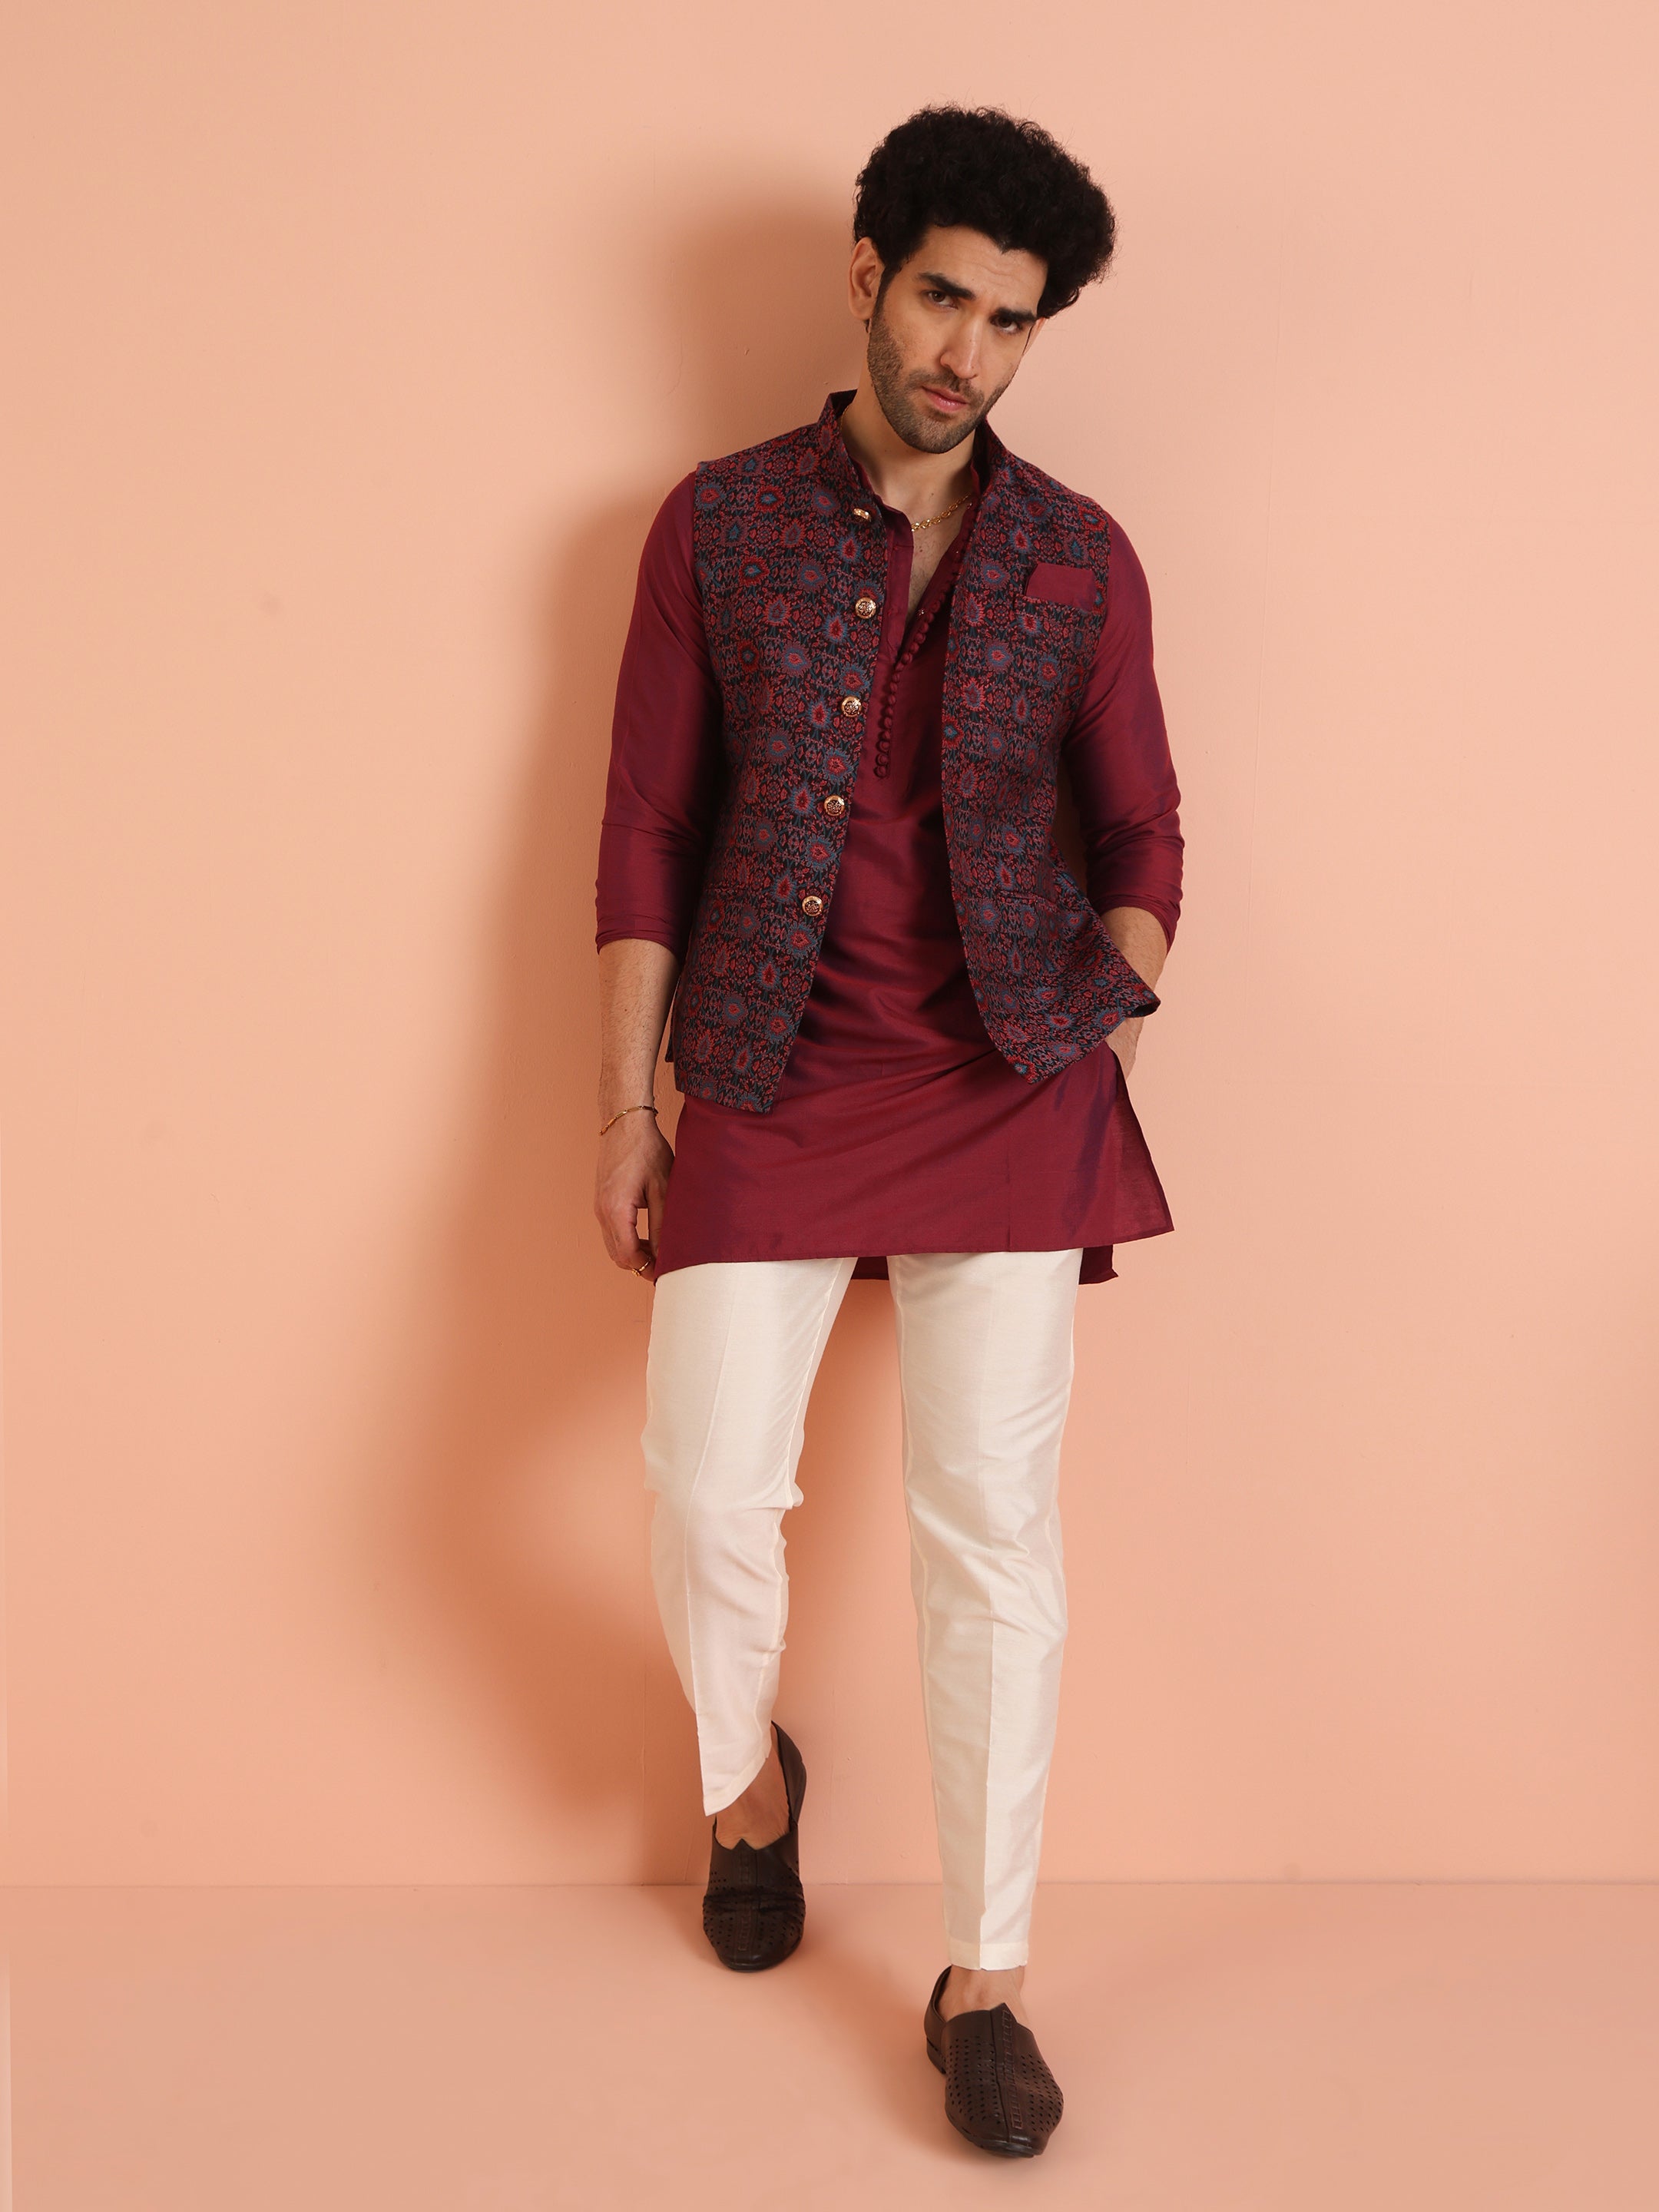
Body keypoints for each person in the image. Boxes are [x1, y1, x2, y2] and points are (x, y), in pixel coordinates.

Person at [592, 104, 1183, 2158]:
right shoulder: (718, 526)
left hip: (1009, 1088)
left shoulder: (1079, 556)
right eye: (942, 298)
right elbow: (650, 824)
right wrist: (625, 1102)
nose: (967, 353)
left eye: (1011, 323)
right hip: (769, 1067)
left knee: (991, 1536)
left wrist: (1105, 1011)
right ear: (868, 273)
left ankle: (986, 1976)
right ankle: (749, 1788)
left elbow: (1147, 830)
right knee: (700, 1488)